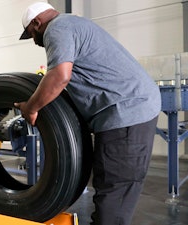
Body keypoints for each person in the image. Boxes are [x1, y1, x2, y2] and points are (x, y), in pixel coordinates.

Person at [15, 2, 161, 225]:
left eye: (32, 35)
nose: (35, 41)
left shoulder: (57, 28)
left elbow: (59, 76)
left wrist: (31, 107)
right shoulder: (74, 23)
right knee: (108, 184)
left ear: (37, 23)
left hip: (126, 112)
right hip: (127, 110)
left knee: (114, 192)